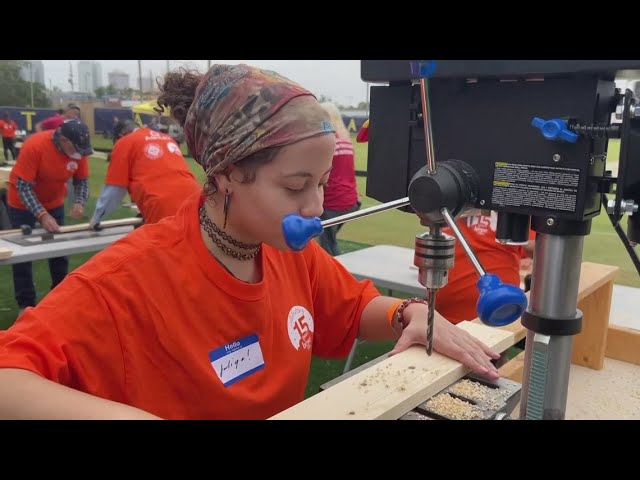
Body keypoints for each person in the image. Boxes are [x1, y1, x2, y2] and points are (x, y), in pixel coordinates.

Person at [0, 64, 500, 420]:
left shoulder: (291, 254)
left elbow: (352, 310)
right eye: (295, 186)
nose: (316, 206)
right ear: (228, 173)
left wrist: (408, 315)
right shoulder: (127, 281)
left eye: (323, 182)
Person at [5, 119, 92, 314]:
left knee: (58, 252)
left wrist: (79, 202)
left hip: (54, 202)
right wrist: (42, 215)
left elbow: (82, 181)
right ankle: (25, 304)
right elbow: (23, 187)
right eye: (77, 148)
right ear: (62, 139)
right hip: (21, 203)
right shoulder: (35, 146)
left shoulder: (78, 150)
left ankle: (60, 298)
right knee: (22, 255)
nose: (80, 153)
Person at [90, 119, 201, 226]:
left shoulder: (125, 142)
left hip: (162, 205)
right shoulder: (166, 138)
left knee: (165, 242)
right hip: (196, 198)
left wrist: (97, 218)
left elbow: (115, 190)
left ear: (120, 136)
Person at [435, 211, 535, 324]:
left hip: (499, 310)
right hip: (444, 316)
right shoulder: (449, 206)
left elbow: (536, 247)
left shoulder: (512, 204)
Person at [316, 102, 361, 256]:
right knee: (328, 242)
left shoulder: (326, 142)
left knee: (329, 250)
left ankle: (333, 278)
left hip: (332, 203)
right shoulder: (345, 141)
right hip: (350, 201)